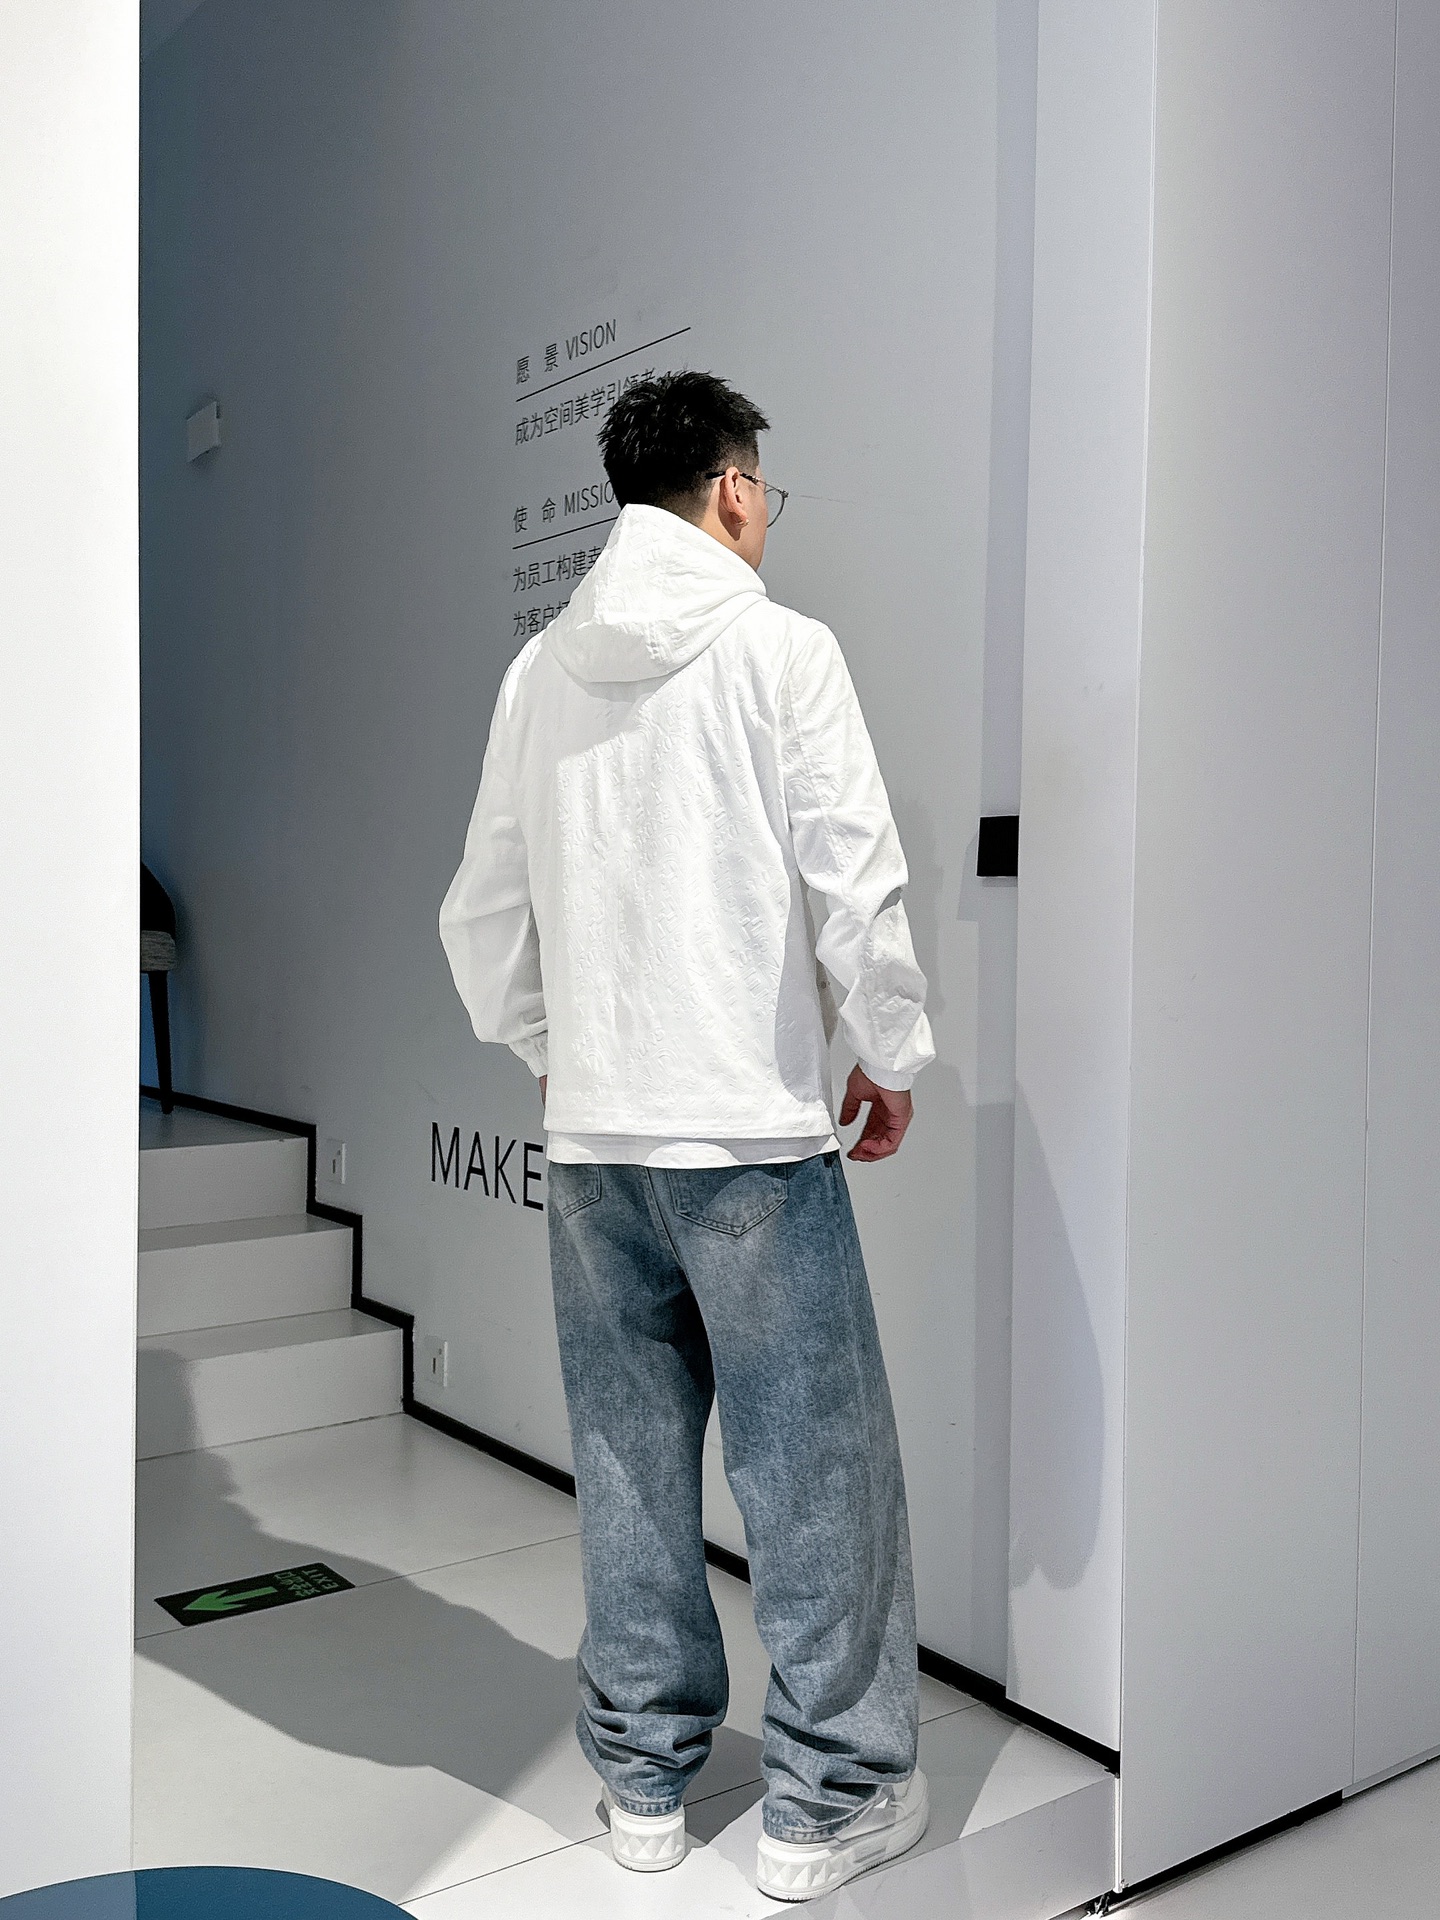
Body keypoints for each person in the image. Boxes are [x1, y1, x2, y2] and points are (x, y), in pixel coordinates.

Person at [439, 370, 934, 1900]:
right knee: (814, 1472)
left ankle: (643, 1788)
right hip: (749, 1138)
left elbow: (483, 917)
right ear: (731, 491)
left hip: (598, 1143)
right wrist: (891, 1050)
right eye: (762, 491)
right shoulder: (783, 651)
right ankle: (827, 1801)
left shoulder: (540, 674)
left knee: (629, 1467)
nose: (764, 514)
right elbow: (854, 878)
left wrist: (553, 1051)